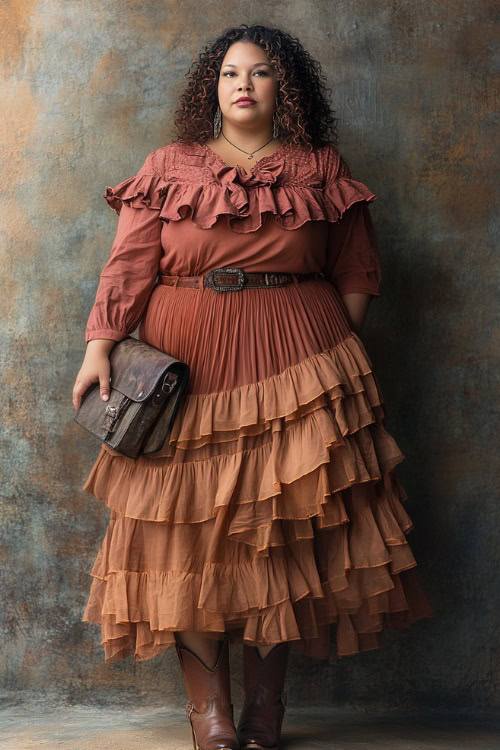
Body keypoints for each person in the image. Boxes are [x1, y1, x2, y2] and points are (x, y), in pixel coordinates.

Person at [72, 24, 434, 750]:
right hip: (186, 364)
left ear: (284, 87)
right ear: (213, 85)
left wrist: (327, 351)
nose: (243, 84)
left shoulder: (320, 168)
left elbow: (357, 272)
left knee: (280, 535)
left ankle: (267, 714)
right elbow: (128, 266)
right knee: (192, 537)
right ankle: (212, 715)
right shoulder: (170, 165)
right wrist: (98, 347)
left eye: (261, 72)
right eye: (231, 72)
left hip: (298, 360)